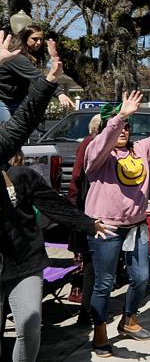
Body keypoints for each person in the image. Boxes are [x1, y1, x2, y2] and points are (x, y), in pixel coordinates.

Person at [83, 89, 150, 356]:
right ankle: (100, 332)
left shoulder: (140, 150)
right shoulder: (97, 155)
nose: (123, 131)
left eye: (127, 127)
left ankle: (129, 319)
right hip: (105, 226)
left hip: (136, 225)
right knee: (105, 282)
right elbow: (101, 143)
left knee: (142, 278)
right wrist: (118, 116)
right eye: (119, 126)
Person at [1, 155, 115, 362]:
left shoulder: (20, 176)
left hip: (25, 262)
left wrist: (88, 224)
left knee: (29, 327)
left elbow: (54, 205)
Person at [66, 113, 102, 326]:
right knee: (89, 263)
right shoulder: (89, 145)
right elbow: (76, 178)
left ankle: (87, 307)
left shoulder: (94, 144)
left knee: (90, 263)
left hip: (86, 210)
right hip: (85, 211)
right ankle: (86, 311)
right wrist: (73, 211)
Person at [0, 25, 74, 122]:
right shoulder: (17, 57)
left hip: (17, 100)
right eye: (34, 39)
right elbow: (37, 77)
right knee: (7, 132)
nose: (38, 43)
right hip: (3, 100)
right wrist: (59, 93)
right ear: (24, 38)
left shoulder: (31, 56)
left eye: (41, 39)